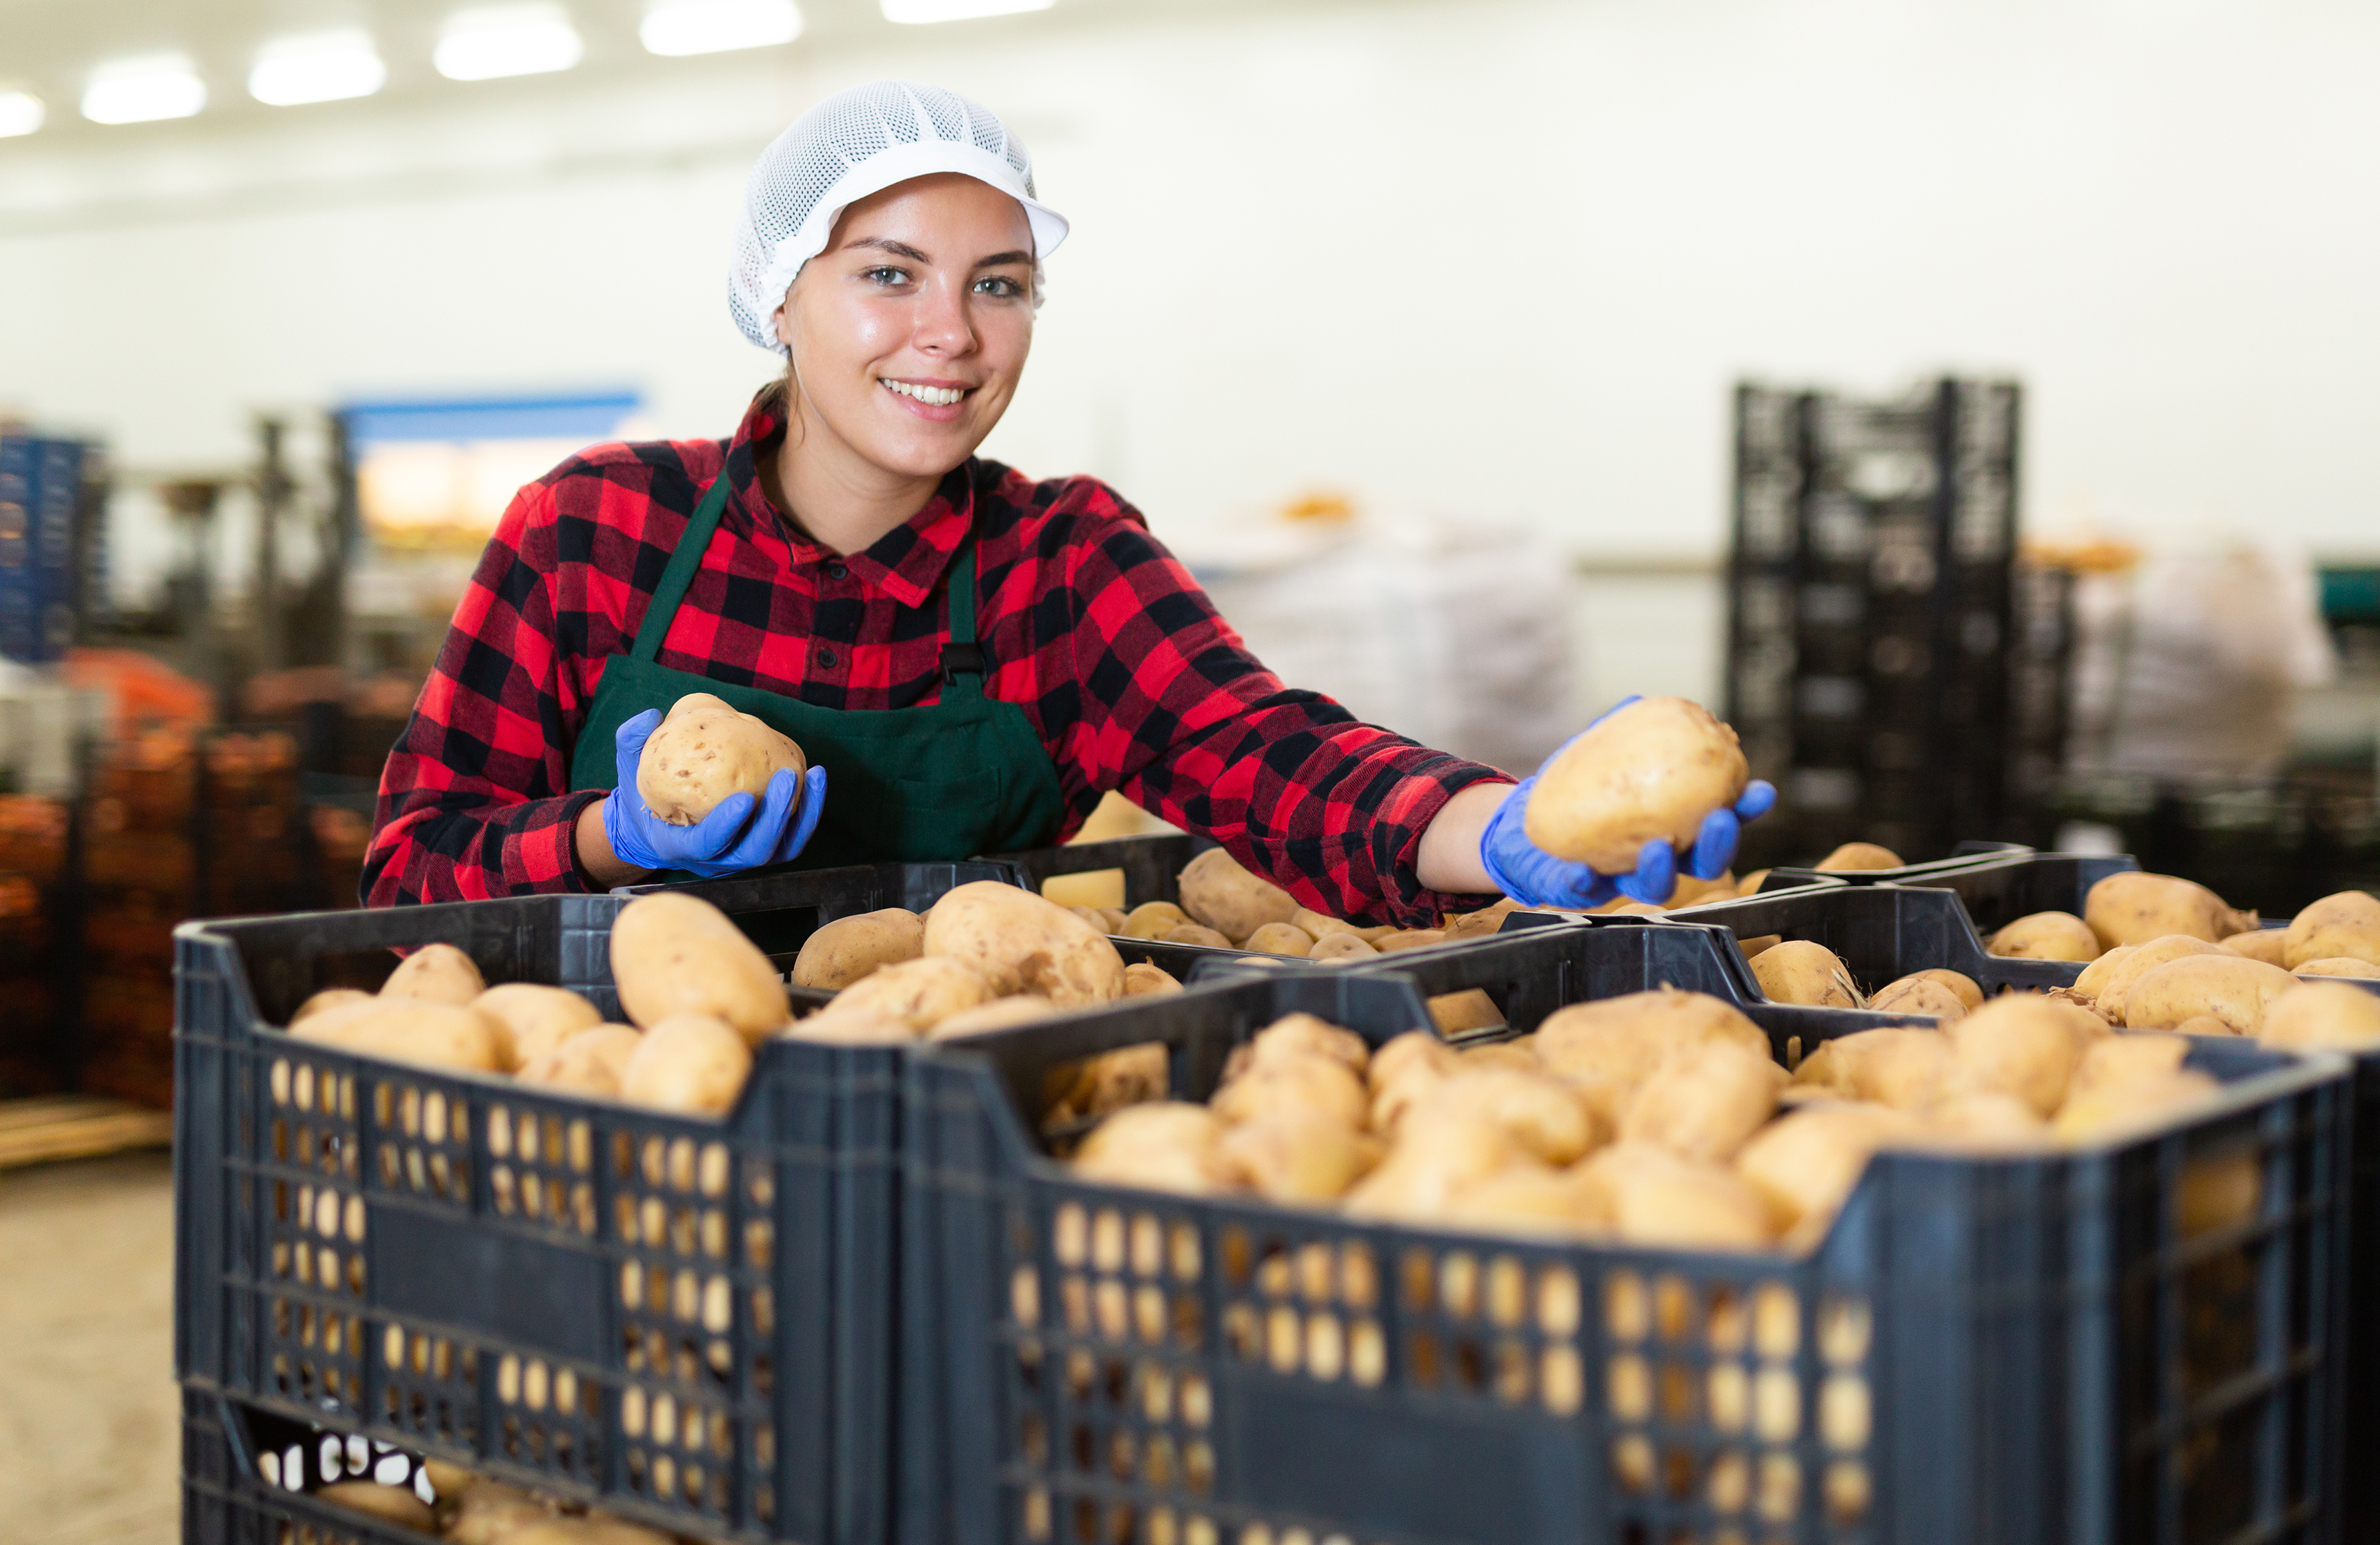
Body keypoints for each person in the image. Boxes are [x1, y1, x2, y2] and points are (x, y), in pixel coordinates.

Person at [365, 81, 1770, 918]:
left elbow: (1272, 758)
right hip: (600, 1130)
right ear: (773, 293)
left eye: (999, 284)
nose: (953, 335)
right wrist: (612, 837)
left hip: (956, 1157)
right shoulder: (594, 533)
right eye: (888, 273)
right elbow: (408, 869)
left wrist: (1505, 829)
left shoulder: (1063, 563)